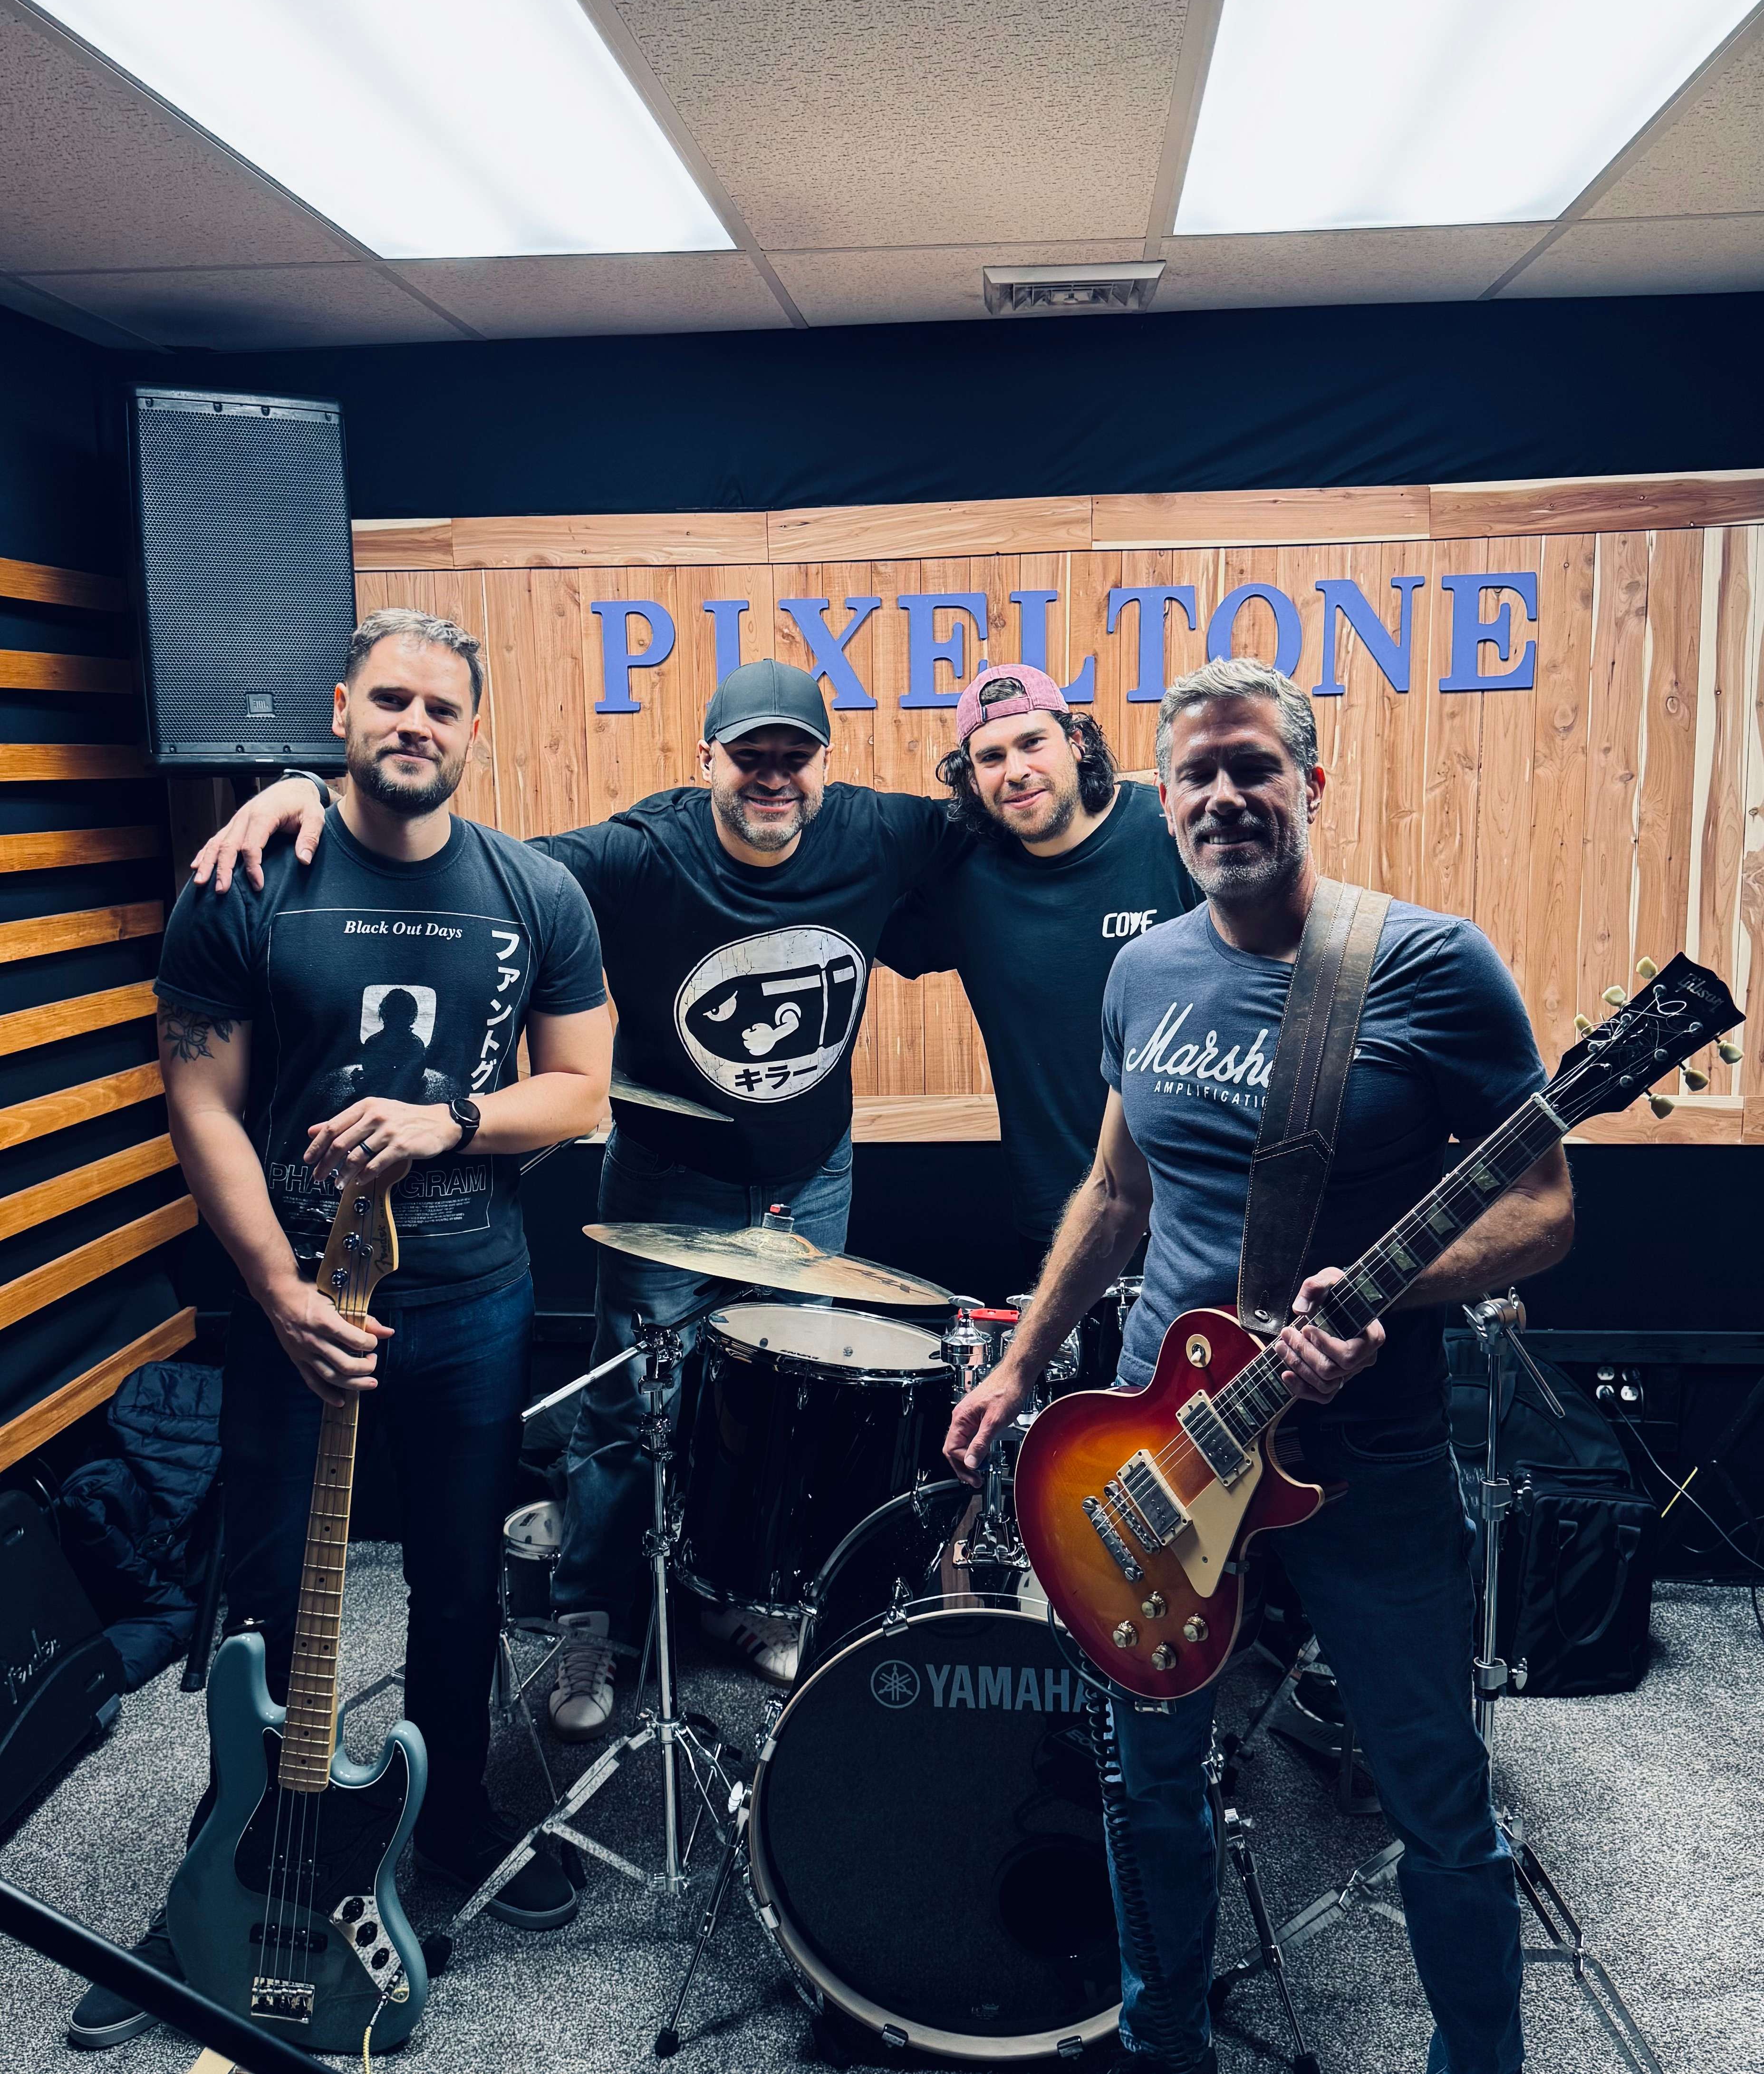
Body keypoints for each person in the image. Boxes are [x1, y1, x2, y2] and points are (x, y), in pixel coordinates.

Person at [945, 656, 1574, 2074]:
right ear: (1163, 798)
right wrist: (1024, 1366)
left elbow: (1544, 1206)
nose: (1225, 795)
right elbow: (1116, 1197)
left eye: (1254, 767)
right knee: (1148, 1781)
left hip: (1364, 1466)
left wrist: (1397, 1293)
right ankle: (1167, 2040)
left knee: (1434, 1795)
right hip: (1160, 1452)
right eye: (1198, 774)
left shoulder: (1429, 964)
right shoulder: (1145, 967)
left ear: (1311, 782)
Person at [187, 657, 962, 1734]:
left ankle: (727, 1602)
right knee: (630, 1409)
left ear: (826, 764)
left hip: (809, 1175)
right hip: (663, 1176)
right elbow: (450, 858)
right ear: (706, 760)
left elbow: (1013, 813)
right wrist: (310, 792)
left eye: (794, 757)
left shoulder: (881, 832)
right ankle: (593, 1611)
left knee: (774, 1412)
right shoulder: (639, 851)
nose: (772, 777)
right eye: (750, 756)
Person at [67, 609, 612, 2053]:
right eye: (390, 697)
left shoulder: (536, 890)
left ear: (475, 728)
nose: (415, 722)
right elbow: (201, 1101)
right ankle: (219, 1860)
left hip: (474, 1296)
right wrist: (278, 1291)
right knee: (259, 1597)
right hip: (295, 1299)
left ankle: (447, 1828)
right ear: (341, 710)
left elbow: (584, 1092)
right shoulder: (248, 878)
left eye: (443, 702)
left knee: (456, 1582)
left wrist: (454, 1118)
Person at [877, 663, 1201, 1300]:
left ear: (1076, 741)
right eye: (991, 757)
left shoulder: (1165, 833)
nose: (1016, 770)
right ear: (971, 778)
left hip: (1198, 1209)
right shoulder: (966, 877)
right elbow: (855, 928)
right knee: (1076, 1403)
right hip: (1061, 1220)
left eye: (1033, 743)